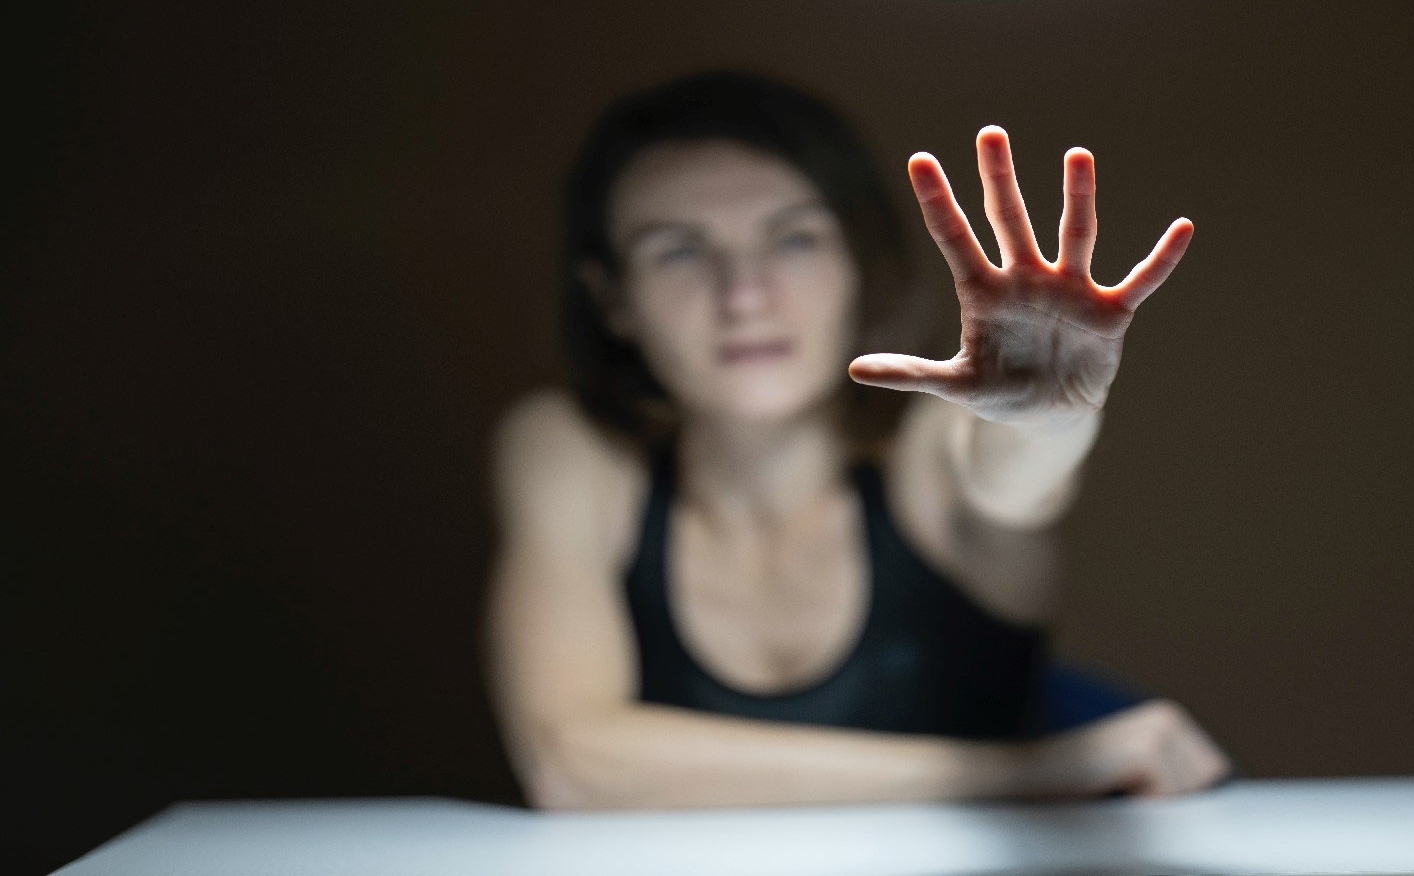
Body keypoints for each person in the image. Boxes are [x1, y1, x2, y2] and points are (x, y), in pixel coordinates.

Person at [486, 72, 1229, 810]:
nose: (744, 294)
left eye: (795, 239)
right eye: (678, 251)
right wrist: (1030, 770)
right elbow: (572, 763)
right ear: (613, 298)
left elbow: (1013, 478)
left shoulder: (930, 452)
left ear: (858, 265)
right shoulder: (569, 450)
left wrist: (1047, 418)